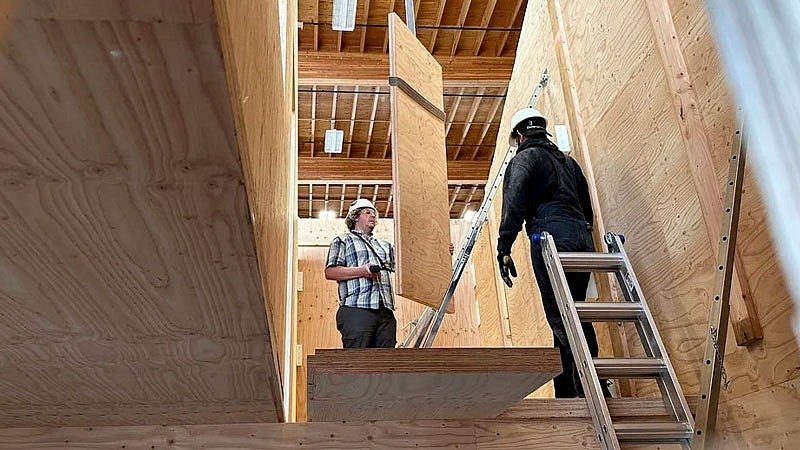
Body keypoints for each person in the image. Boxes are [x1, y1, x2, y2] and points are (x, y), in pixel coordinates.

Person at [496, 107, 611, 398]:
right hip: (580, 236)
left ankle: (592, 387)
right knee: (575, 311)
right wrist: (583, 234)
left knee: (562, 315)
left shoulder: (524, 159)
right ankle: (567, 392)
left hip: (550, 237)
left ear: (519, 135)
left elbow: (514, 202)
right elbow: (586, 204)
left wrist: (504, 246)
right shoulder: (569, 162)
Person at [325, 199, 398, 348]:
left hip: (385, 311)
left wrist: (441, 252)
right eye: (368, 212)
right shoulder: (343, 240)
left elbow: (408, 265)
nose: (373, 216)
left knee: (387, 364)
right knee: (357, 363)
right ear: (355, 217)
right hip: (356, 308)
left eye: (374, 214)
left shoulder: (386, 246)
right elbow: (330, 272)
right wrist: (362, 271)